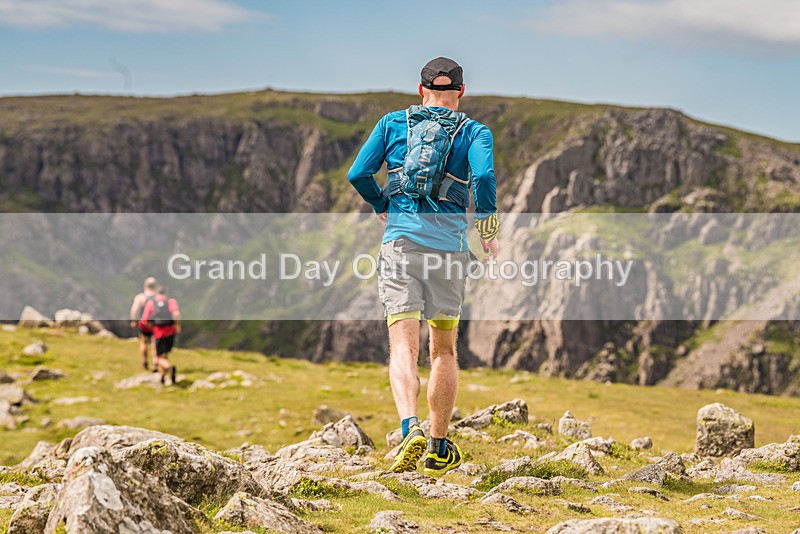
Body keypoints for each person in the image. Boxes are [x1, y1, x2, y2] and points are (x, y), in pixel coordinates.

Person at [348, 57, 500, 475]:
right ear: (461, 93)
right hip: (448, 251)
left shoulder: (392, 124)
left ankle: (408, 427)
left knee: (403, 346)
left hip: (400, 243)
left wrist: (382, 204)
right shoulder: (474, 131)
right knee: (444, 351)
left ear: (420, 90)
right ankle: (437, 445)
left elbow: (358, 173)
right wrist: (487, 229)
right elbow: (484, 179)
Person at [140, 286, 181, 386]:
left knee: (158, 357)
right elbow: (176, 313)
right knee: (165, 354)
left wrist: (152, 326)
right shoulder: (170, 301)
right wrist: (177, 326)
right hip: (170, 331)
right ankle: (163, 376)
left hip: (159, 332)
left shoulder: (151, 303)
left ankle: (169, 368)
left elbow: (144, 320)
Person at [130, 277, 158, 371]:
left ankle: (145, 362)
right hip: (156, 324)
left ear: (145, 286)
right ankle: (155, 363)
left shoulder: (140, 297)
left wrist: (134, 321)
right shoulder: (158, 297)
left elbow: (134, 310)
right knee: (155, 344)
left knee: (144, 342)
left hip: (144, 324)